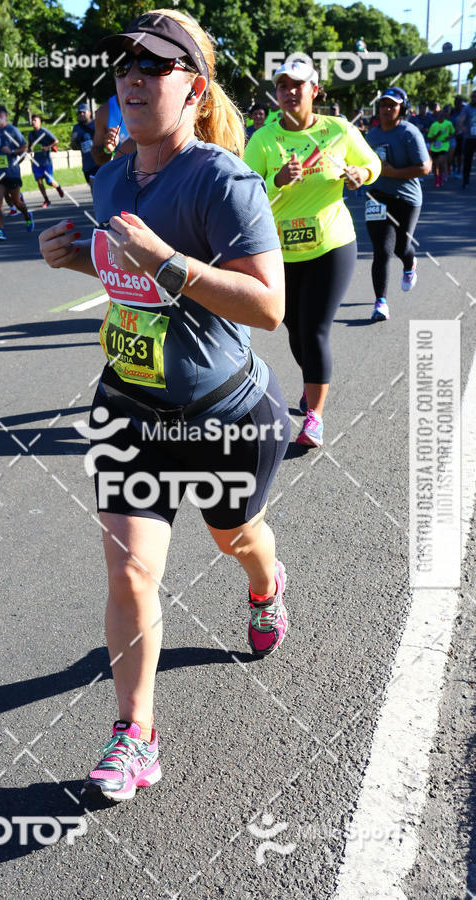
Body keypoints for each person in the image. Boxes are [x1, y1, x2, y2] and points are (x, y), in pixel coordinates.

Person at [40, 9, 290, 802]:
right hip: (130, 407)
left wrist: (169, 259)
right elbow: (132, 279)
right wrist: (85, 258)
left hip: (221, 414)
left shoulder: (222, 178)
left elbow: (266, 305)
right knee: (129, 570)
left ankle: (267, 583)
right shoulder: (113, 174)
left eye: (156, 66)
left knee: (235, 541)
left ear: (194, 86)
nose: (135, 80)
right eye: (125, 67)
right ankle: (135, 734)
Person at [244, 60, 381, 447]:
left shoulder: (338, 130)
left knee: (316, 328)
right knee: (295, 330)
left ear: (314, 91)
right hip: (280, 251)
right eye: (282, 85)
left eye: (297, 85)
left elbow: (371, 162)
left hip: (331, 244)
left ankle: (314, 417)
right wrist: (277, 179)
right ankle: (312, 381)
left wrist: (361, 175)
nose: (289, 91)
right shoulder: (263, 140)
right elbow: (248, 197)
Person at [365, 87, 431, 322]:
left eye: (392, 105)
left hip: (406, 197)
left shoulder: (409, 133)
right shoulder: (371, 135)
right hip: (377, 196)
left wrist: (394, 173)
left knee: (401, 246)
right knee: (381, 250)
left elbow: (425, 167)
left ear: (401, 108)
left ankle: (410, 262)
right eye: (383, 105)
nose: (386, 109)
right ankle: (380, 302)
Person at [0, 104, 34, 240]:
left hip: (12, 172)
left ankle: (27, 215)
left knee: (16, 202)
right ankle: (0, 230)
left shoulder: (12, 130)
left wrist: (12, 151)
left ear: (6, 116)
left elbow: (25, 147)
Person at [27, 114, 64, 207]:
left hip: (46, 161)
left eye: (35, 120)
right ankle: (46, 200)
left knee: (48, 181)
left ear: (40, 122)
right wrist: (29, 149)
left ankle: (58, 187)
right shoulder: (31, 134)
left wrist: (48, 147)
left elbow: (56, 141)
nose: (33, 122)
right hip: (36, 161)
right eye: (32, 120)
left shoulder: (44, 132)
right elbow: (30, 146)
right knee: (39, 181)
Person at [91, 94, 135, 166]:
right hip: (123, 175)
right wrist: (107, 149)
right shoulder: (104, 112)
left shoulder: (156, 104)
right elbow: (98, 159)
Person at [70, 103, 99, 185]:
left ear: (89, 112)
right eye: (79, 113)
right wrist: (73, 141)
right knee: (92, 188)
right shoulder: (77, 128)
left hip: (98, 162)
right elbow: (75, 147)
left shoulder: (97, 124)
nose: (81, 114)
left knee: (98, 186)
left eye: (83, 112)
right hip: (87, 164)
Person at [427, 108, 453, 187]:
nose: (440, 117)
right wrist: (436, 136)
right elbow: (430, 138)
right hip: (434, 147)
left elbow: (453, 132)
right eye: (439, 116)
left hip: (444, 145)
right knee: (435, 165)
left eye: (442, 116)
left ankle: (441, 177)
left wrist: (449, 137)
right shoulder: (433, 125)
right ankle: (437, 178)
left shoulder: (448, 124)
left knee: (441, 162)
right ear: (436, 117)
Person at [459, 89, 476, 188]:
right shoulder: (467, 109)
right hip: (469, 138)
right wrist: (462, 127)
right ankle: (466, 180)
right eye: (473, 97)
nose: (474, 99)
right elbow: (461, 120)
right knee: (467, 160)